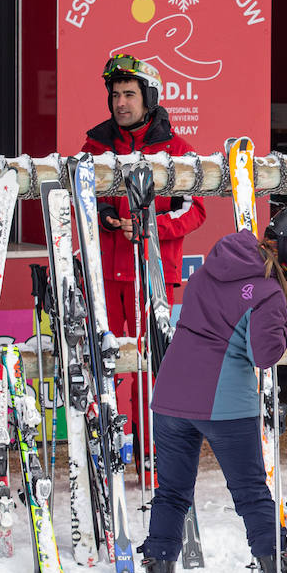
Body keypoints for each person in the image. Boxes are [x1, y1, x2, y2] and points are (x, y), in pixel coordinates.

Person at [135, 208, 287, 573]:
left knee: (171, 495)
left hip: (171, 397)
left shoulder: (211, 266)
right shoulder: (269, 294)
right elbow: (266, 355)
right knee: (253, 497)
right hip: (225, 404)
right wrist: (283, 315)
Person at [81, 53, 206, 479]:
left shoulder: (179, 151)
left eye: (129, 94)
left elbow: (195, 211)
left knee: (152, 377)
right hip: (105, 279)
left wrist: (149, 228)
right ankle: (105, 462)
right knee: (105, 371)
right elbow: (82, 198)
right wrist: (101, 215)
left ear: (149, 97)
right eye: (115, 95)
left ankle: (153, 466)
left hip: (152, 281)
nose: (120, 103)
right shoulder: (95, 147)